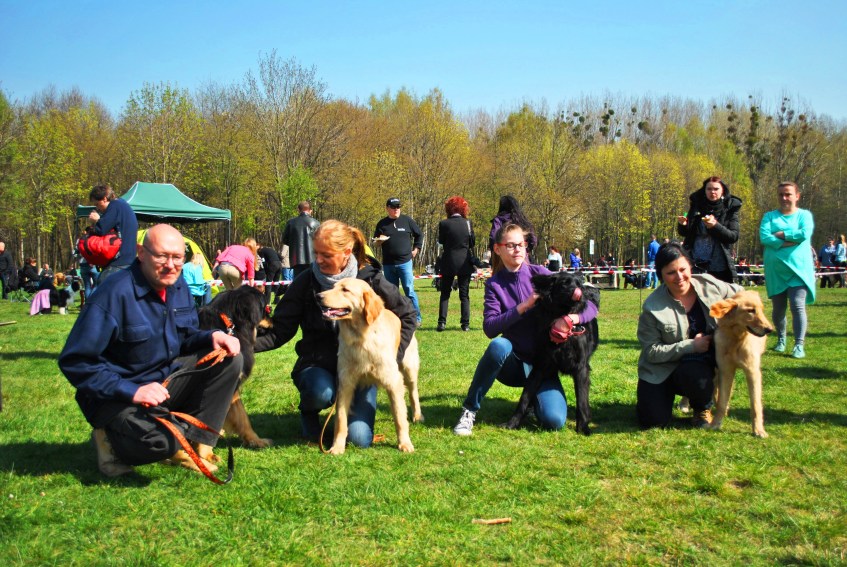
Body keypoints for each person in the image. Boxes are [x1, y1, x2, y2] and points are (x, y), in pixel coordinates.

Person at [58, 224, 242, 477]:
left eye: (177, 257)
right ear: (141, 253)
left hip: (163, 383)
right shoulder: (114, 293)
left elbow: (185, 337)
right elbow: (75, 361)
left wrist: (212, 336)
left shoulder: (178, 286)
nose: (171, 265)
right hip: (118, 395)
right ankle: (109, 439)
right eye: (162, 256)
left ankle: (195, 444)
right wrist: (132, 391)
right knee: (162, 442)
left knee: (229, 360)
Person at [254, 219, 416, 447]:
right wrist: (243, 344)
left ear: (346, 252)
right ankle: (309, 412)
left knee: (360, 439)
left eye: (326, 255)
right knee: (320, 392)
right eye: (316, 253)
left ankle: (351, 419)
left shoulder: (370, 279)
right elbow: (279, 330)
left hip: (363, 370)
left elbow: (408, 315)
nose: (318, 260)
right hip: (317, 363)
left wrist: (393, 356)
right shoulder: (305, 282)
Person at [452, 223, 599, 436]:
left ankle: (533, 404)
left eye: (521, 244)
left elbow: (592, 304)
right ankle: (469, 410)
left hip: (545, 363)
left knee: (554, 420)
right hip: (514, 362)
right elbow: (490, 328)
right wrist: (523, 306)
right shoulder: (494, 285)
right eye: (511, 245)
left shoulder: (542, 274)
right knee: (499, 346)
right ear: (498, 249)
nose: (517, 250)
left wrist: (571, 319)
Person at [636, 242, 742, 430]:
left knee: (696, 374)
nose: (679, 277)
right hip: (662, 370)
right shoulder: (652, 307)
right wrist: (691, 345)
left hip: (701, 365)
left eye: (683, 269)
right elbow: (651, 352)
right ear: (661, 275)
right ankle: (661, 398)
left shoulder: (708, 284)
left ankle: (701, 408)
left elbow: (742, 294)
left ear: (690, 266)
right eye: (671, 273)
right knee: (652, 421)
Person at [759, 181, 816, 359]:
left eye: (788, 194)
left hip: (798, 270)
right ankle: (781, 339)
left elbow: (804, 234)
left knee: (797, 305)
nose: (784, 198)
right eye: (781, 194)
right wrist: (790, 241)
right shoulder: (769, 216)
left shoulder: (804, 215)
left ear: (797, 196)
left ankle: (799, 344)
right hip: (776, 271)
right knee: (778, 309)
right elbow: (764, 237)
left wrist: (781, 235)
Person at [676, 176, 742, 284]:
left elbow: (733, 236)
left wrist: (715, 226)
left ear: (723, 191)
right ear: (704, 190)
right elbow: (685, 233)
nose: (712, 192)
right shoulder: (697, 205)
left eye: (716, 189)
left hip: (719, 267)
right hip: (695, 264)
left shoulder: (730, 208)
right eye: (709, 189)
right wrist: (683, 225)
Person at [373, 197, 424, 326]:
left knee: (409, 290)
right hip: (388, 264)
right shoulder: (382, 224)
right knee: (391, 293)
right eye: (394, 207)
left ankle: (416, 318)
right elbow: (375, 241)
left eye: (398, 207)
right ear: (387, 208)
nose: (396, 209)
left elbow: (419, 234)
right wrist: (379, 241)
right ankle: (394, 319)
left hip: (405, 262)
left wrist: (416, 249)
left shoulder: (407, 221)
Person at [437, 196, 475, 332]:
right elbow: (472, 243)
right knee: (464, 295)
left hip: (448, 261)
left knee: (445, 293)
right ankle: (465, 324)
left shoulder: (443, 224)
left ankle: (441, 323)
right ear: (463, 209)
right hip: (464, 262)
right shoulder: (468, 223)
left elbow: (441, 241)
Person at [88, 184, 139, 284]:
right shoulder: (122, 204)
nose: (98, 208)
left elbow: (101, 229)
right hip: (129, 260)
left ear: (104, 199)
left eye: (97, 204)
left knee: (102, 290)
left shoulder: (114, 206)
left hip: (119, 262)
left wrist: (97, 220)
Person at [489, 195, 538, 261]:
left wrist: (497, 252)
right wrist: (526, 250)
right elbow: (533, 239)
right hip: (522, 257)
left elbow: (493, 237)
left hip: (503, 258)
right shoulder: (521, 220)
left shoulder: (498, 220)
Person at [283, 200, 321, 279]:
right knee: (312, 281)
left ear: (298, 210)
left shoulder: (291, 223)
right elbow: (320, 241)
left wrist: (294, 243)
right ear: (310, 210)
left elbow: (285, 240)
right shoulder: (316, 223)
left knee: (298, 281)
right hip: (312, 259)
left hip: (296, 259)